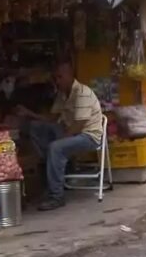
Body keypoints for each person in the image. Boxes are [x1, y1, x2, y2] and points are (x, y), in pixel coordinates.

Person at [16, 62, 103, 211]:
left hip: (88, 136)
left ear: (70, 75)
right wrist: (29, 114)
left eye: (60, 77)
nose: (57, 81)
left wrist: (60, 141)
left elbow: (79, 125)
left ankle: (56, 196)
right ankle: (50, 166)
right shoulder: (62, 95)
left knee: (56, 147)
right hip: (71, 131)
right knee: (35, 127)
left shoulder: (82, 92)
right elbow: (51, 118)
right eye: (55, 77)